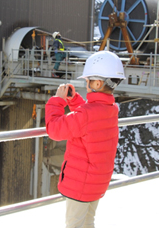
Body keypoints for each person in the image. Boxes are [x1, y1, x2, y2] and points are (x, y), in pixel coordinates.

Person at [45, 51, 126, 228]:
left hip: (80, 185)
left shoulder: (87, 114)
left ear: (97, 83)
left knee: (74, 225)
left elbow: (55, 130)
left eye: (88, 81)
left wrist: (57, 101)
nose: (86, 84)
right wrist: (74, 100)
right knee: (88, 223)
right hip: (96, 183)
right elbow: (90, 117)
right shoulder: (110, 110)